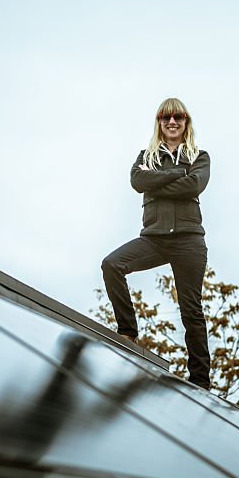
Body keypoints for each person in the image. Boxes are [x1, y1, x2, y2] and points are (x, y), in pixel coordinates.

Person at [101, 97, 212, 390]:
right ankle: (127, 332)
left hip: (189, 240)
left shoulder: (199, 156)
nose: (172, 122)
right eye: (166, 118)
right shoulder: (144, 157)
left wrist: (159, 181)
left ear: (186, 122)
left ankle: (201, 381)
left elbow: (194, 185)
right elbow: (138, 181)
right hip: (155, 239)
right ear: (159, 123)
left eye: (178, 117)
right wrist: (176, 175)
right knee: (112, 264)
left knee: (191, 310)